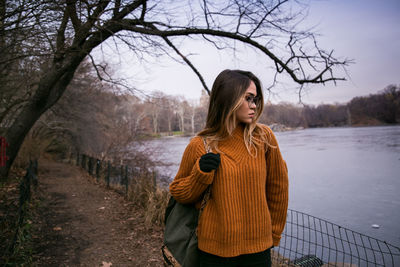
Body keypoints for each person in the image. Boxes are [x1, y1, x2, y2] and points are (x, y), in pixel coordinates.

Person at [169, 69, 288, 267]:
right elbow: (178, 192)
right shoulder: (200, 144)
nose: (254, 106)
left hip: (258, 252)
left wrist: (274, 235)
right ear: (229, 99)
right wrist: (200, 174)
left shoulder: (263, 138)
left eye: (256, 99)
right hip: (212, 253)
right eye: (248, 98)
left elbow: (278, 188)